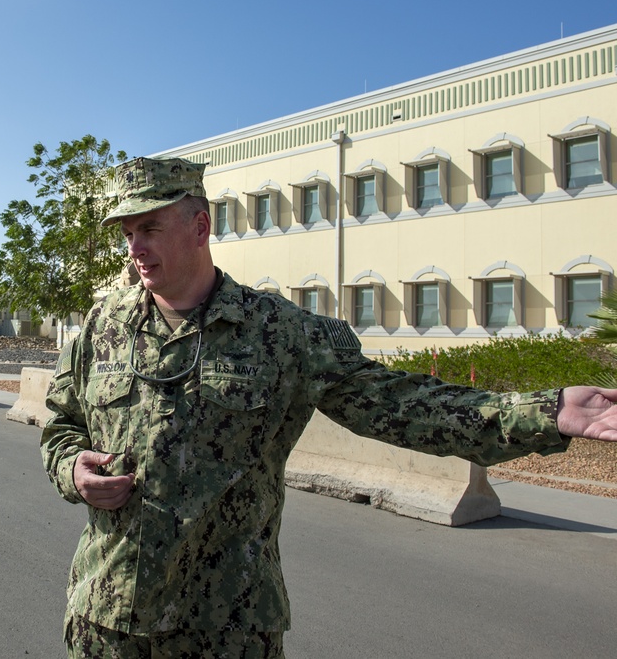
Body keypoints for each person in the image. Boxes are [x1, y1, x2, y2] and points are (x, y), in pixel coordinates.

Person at [40, 156, 617, 658]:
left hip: (224, 630)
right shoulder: (100, 328)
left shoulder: (280, 334)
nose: (134, 247)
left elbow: (399, 403)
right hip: (106, 620)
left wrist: (545, 412)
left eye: (149, 227)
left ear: (200, 226)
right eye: (126, 233)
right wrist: (72, 470)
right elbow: (61, 426)